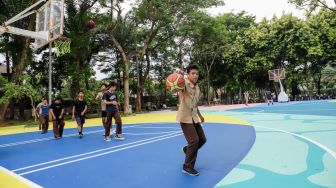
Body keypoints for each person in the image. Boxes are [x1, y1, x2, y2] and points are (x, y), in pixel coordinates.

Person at [176, 64, 206, 176]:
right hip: (185, 117)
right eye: (193, 73)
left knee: (202, 139)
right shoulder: (183, 83)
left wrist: (200, 115)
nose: (195, 75)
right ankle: (187, 167)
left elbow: (195, 104)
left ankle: (187, 150)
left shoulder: (197, 87)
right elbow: (175, 87)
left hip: (194, 116)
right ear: (188, 74)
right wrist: (179, 75)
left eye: (197, 73)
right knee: (194, 141)